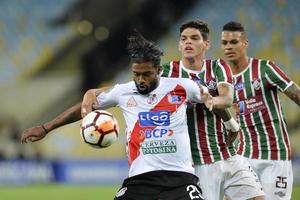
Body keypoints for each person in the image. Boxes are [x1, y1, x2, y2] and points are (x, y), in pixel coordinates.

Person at [23, 31, 218, 200]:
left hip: (180, 178)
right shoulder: (124, 91)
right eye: (136, 74)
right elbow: (85, 107)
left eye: (147, 74)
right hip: (141, 178)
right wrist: (45, 128)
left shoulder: (183, 87)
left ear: (159, 70)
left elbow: (215, 100)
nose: (140, 80)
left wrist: (231, 124)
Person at [160, 20, 264, 200]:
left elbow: (227, 98)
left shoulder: (217, 67)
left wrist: (212, 100)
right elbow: (138, 88)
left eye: (194, 38)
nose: (188, 42)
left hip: (228, 154)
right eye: (184, 39)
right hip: (199, 163)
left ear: (206, 44)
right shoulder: (167, 73)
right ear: (179, 44)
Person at [221, 21, 300, 200]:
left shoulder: (265, 69)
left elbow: (297, 95)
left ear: (245, 44)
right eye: (225, 43)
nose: (228, 47)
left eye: (234, 42)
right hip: (245, 153)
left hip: (275, 155)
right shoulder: (225, 80)